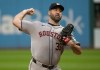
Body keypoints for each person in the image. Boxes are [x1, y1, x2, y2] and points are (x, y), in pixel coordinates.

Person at [13, 2, 81, 70]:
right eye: (55, 10)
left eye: (60, 11)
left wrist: (73, 45)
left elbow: (79, 52)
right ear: (49, 12)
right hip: (37, 67)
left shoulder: (65, 32)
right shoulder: (36, 26)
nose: (58, 12)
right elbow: (15, 21)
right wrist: (25, 12)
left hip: (55, 68)